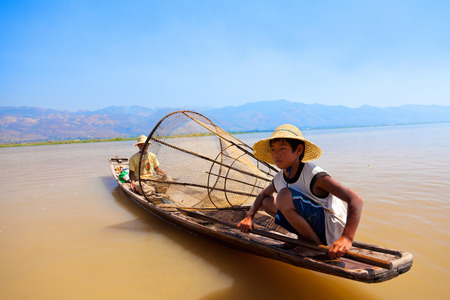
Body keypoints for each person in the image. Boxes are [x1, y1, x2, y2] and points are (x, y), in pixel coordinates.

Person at [237, 124, 363, 259]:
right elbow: (263, 194)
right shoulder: (279, 178)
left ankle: (316, 246)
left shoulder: (314, 174)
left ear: (298, 150)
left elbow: (355, 200)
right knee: (267, 202)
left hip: (330, 229)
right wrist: (249, 217)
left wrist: (347, 238)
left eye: (282, 148)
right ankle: (304, 238)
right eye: (273, 149)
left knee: (284, 195)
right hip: (314, 225)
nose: (276, 154)